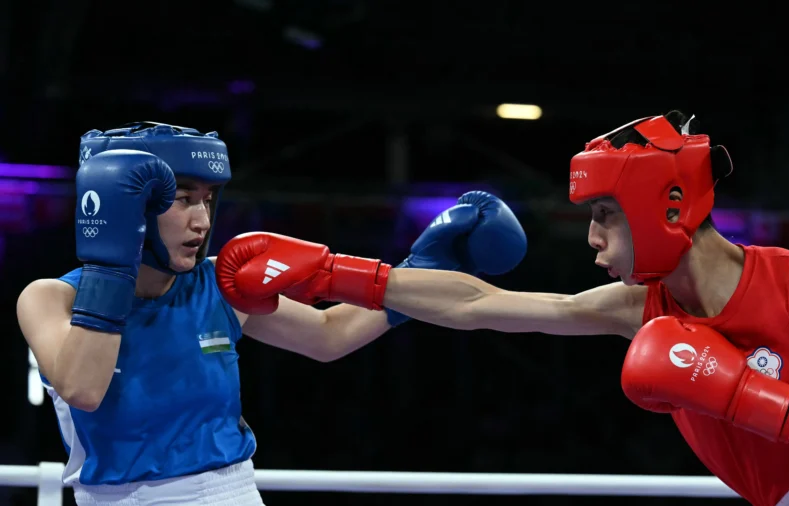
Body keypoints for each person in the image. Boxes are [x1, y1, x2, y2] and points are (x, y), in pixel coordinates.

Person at [217, 111, 789, 506]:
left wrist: (736, 389)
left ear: (665, 207)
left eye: (605, 215)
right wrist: (339, 273)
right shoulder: (640, 306)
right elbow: (482, 304)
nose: (593, 240)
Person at [15, 121, 528, 505]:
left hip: (229, 492)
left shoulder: (219, 283)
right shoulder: (49, 298)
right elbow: (84, 388)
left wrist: (420, 271)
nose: (201, 220)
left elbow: (330, 334)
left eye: (209, 200)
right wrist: (111, 264)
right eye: (182, 200)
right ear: (125, 204)